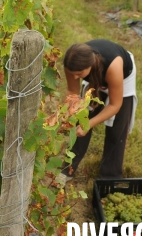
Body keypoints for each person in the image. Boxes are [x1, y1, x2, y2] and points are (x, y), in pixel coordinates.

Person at [58, 39, 137, 182]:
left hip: (122, 78)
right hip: (97, 74)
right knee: (81, 119)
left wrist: (89, 124)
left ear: (90, 65)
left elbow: (115, 105)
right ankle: (68, 168)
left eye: (79, 74)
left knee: (116, 130)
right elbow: (72, 91)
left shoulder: (114, 66)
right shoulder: (72, 64)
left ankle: (110, 177)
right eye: (73, 73)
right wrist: (69, 113)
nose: (75, 77)